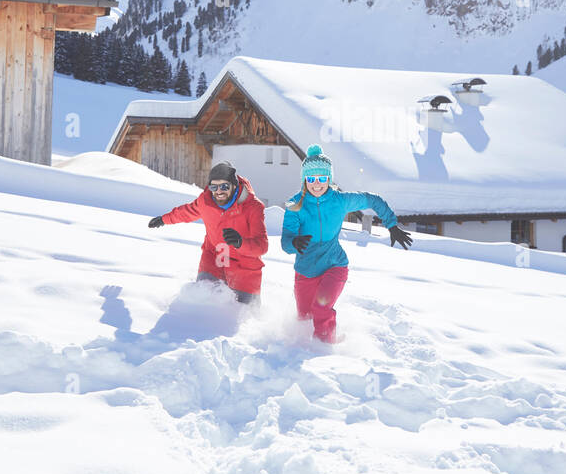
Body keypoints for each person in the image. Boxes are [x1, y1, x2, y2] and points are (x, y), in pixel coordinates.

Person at [281, 144, 413, 342]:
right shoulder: (295, 205)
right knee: (304, 318)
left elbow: (372, 200)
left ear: (329, 179)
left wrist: (391, 225)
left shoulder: (340, 200)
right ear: (304, 180)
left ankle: (325, 347)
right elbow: (285, 241)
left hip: (334, 265)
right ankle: (310, 346)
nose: (317, 184)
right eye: (311, 179)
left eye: (322, 178)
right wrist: (294, 242)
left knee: (322, 307)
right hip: (305, 270)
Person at [148, 162, 267, 304]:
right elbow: (186, 212)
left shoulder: (253, 207)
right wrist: (164, 219)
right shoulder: (206, 201)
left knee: (244, 314)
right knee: (201, 301)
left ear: (234, 185)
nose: (219, 191)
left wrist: (240, 242)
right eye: (213, 187)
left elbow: (262, 246)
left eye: (224, 186)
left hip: (245, 269)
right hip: (213, 259)